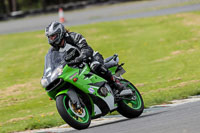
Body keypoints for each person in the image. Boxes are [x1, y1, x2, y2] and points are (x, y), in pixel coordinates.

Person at [45, 21, 124, 92]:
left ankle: (115, 82)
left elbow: (86, 49)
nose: (51, 39)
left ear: (60, 32)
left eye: (53, 36)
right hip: (74, 67)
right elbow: (52, 64)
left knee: (95, 66)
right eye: (49, 37)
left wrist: (80, 57)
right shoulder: (53, 51)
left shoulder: (73, 37)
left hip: (90, 58)